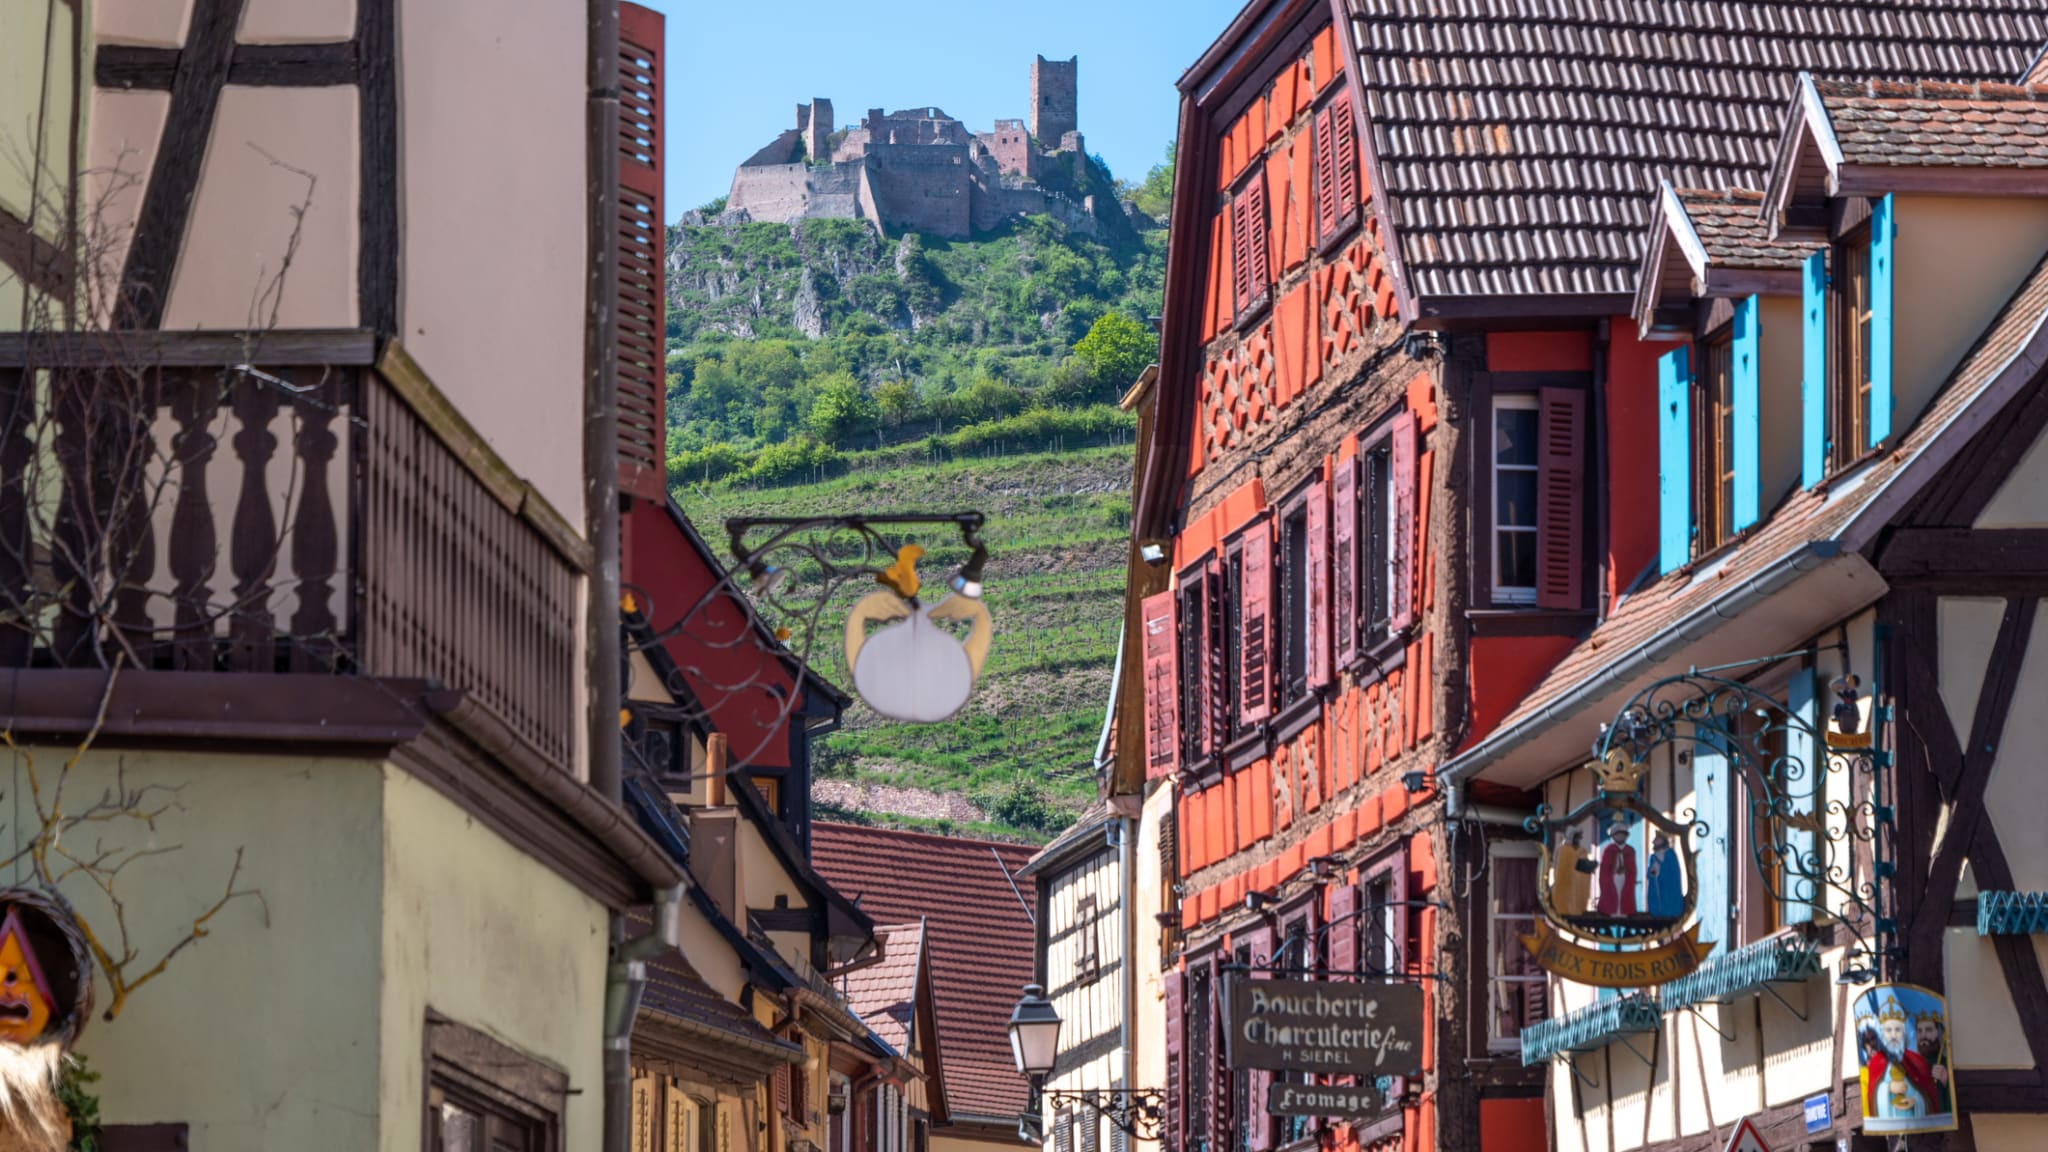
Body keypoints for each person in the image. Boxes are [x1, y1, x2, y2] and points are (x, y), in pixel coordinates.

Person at [1862, 996, 1939, 1123]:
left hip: (1916, 1121)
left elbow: (1929, 1096)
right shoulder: (1876, 1063)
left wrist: (1915, 1100)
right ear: (1882, 1035)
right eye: (1888, 1030)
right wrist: (1887, 1088)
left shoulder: (1918, 1061)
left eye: (1897, 1030)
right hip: (1889, 1124)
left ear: (1904, 1033)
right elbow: (1872, 1098)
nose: (1893, 1035)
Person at [1596, 819, 1638, 916]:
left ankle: (1624, 912)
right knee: (1612, 894)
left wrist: (1630, 876)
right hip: (1612, 878)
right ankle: (1611, 911)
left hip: (1625, 877)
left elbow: (1632, 868)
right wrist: (1606, 880)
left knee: (1625, 894)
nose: (1620, 836)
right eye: (1617, 834)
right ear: (1613, 836)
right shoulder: (1608, 850)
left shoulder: (1630, 850)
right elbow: (1604, 868)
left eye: (1623, 834)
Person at [1552, 830, 1592, 915]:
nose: (1578, 840)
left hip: (1579, 883)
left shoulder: (1582, 850)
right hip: (1566, 882)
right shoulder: (1563, 849)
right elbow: (1561, 867)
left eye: (1579, 838)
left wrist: (1589, 865)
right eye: (1576, 837)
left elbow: (1583, 865)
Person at [1645, 832, 1683, 919]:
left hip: (1668, 887)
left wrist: (1661, 871)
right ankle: (1657, 911)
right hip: (1656, 886)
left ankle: (1669, 912)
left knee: (1668, 899)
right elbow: (1649, 873)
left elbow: (1673, 871)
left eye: (1657, 839)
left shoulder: (1670, 854)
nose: (1653, 841)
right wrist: (1652, 873)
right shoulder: (1653, 857)